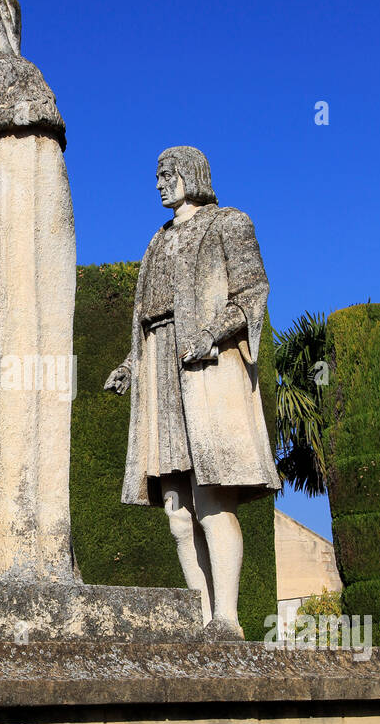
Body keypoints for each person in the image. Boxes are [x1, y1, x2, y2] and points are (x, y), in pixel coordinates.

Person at [104, 146, 280, 638]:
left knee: (211, 500)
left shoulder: (229, 222)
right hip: (160, 364)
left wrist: (213, 333)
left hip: (204, 368)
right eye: (157, 176)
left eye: (167, 175)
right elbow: (147, 317)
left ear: (191, 175)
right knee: (177, 513)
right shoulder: (156, 241)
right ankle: (202, 621)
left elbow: (251, 293)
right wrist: (130, 364)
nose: (159, 184)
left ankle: (227, 618)